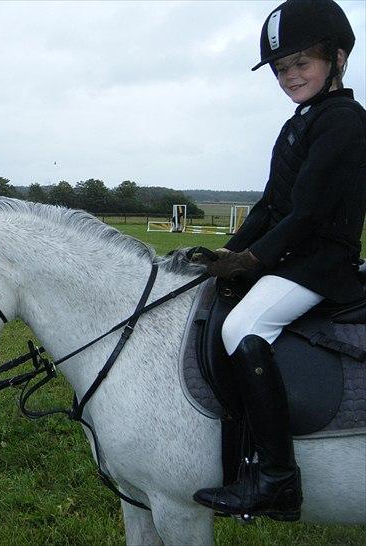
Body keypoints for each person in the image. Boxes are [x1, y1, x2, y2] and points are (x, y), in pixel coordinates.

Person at [192, 0, 365, 522]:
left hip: (319, 266)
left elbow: (309, 214)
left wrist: (250, 259)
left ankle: (276, 479)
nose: (290, 76)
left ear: (336, 59)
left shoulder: (345, 124)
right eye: (281, 68)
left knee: (243, 327)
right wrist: (229, 252)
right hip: (290, 257)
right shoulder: (301, 121)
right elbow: (271, 205)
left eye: (301, 64)